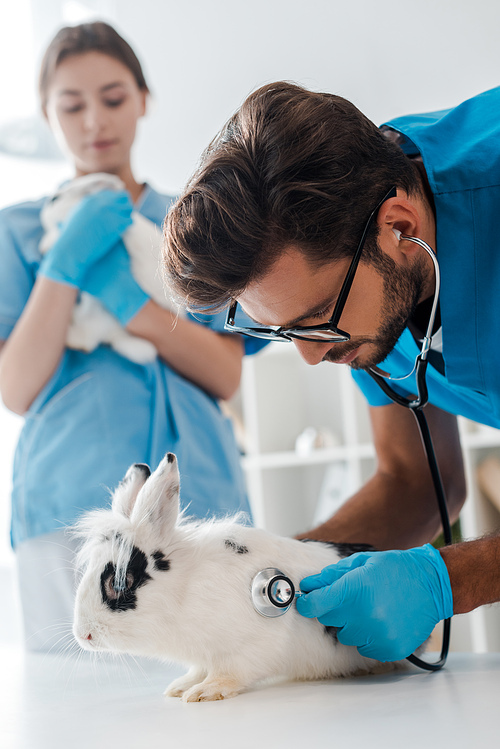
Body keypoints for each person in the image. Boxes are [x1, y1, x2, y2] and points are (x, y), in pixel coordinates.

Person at [163, 80, 500, 662]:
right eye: (285, 330)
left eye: (318, 322)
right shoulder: (352, 215)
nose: (311, 355)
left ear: (401, 228)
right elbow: (417, 482)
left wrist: (452, 579)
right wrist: (268, 579)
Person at [0, 21, 266, 652]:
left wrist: (130, 305)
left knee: (219, 682)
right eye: (71, 104)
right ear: (47, 114)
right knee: (77, 705)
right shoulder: (18, 233)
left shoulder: (200, 221)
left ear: (144, 98)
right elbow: (15, 385)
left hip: (200, 496)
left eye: (114, 98)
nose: (95, 120)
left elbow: (226, 374)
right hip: (68, 500)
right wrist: (62, 266)